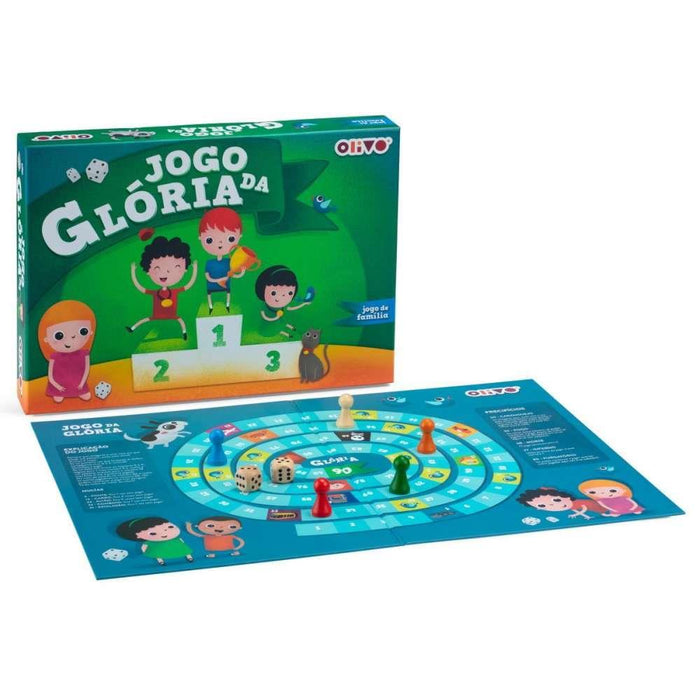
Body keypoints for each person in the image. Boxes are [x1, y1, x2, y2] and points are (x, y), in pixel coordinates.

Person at [126, 229, 197, 339]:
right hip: (156, 315)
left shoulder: (174, 291)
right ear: (148, 271)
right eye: (157, 269)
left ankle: (184, 333)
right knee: (145, 320)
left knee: (180, 320)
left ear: (184, 269)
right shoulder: (155, 293)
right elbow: (140, 287)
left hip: (172, 315)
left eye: (173, 268)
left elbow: (189, 284)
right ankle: (132, 328)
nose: (164, 273)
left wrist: (195, 269)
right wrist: (133, 272)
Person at [38, 300, 96, 403]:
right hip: (59, 383)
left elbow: (86, 369)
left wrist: (82, 383)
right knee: (58, 398)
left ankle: (79, 391)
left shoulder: (84, 354)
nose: (72, 337)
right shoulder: (54, 356)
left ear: (91, 332)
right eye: (59, 335)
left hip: (78, 383)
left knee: (86, 395)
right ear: (46, 339)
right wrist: (57, 386)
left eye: (83, 331)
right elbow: (50, 374)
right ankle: (58, 392)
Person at [199, 207, 244, 314]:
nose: (220, 243)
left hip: (225, 284)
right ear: (200, 238)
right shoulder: (209, 263)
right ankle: (210, 307)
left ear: (239, 237)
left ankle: (227, 305)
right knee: (209, 294)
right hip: (213, 285)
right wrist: (218, 280)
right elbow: (207, 277)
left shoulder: (229, 261)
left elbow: (234, 275)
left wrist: (242, 271)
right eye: (209, 240)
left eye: (230, 239)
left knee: (228, 293)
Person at [255, 265, 314, 338]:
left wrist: (304, 304)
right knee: (276, 328)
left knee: (281, 323)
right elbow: (264, 316)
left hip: (279, 320)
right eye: (273, 293)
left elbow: (291, 308)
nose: (283, 296)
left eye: (290, 293)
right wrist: (275, 318)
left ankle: (288, 328)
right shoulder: (265, 306)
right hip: (270, 324)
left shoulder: (282, 305)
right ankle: (285, 333)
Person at [116, 517, 194, 566]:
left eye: (170, 527)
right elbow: (144, 546)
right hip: (159, 549)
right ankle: (161, 561)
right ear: (138, 536)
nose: (164, 532)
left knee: (184, 551)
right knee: (157, 554)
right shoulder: (150, 542)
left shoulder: (175, 538)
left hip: (176, 545)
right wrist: (144, 551)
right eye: (153, 533)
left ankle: (189, 557)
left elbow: (181, 541)